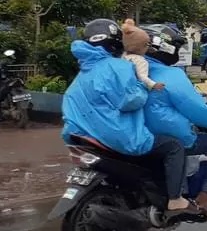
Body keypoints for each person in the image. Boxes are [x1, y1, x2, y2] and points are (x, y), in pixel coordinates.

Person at [61, 19, 193, 214]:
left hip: (82, 137)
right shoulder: (119, 67)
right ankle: (175, 199)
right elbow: (131, 101)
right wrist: (144, 87)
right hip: (118, 137)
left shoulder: (81, 75)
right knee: (174, 146)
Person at [140, 25, 207, 222]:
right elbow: (196, 110)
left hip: (136, 134)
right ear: (165, 48)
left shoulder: (132, 69)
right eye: (176, 48)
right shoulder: (170, 75)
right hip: (168, 135)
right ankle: (205, 197)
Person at [121, 19, 165, 91]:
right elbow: (142, 77)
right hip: (133, 89)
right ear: (142, 46)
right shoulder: (140, 60)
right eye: (147, 45)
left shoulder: (123, 56)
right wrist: (153, 84)